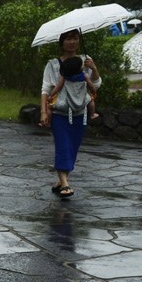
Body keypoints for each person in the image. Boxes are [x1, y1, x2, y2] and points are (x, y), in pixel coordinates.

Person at [40, 29, 102, 200]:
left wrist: (94, 68)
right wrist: (43, 111)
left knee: (73, 147)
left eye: (75, 38)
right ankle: (65, 184)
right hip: (60, 114)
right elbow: (46, 89)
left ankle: (61, 180)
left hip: (80, 113)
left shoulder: (85, 60)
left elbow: (95, 85)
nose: (72, 42)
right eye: (68, 39)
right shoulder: (53, 64)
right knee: (63, 146)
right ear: (61, 42)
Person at [47, 55, 99, 121]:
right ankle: (92, 114)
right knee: (91, 101)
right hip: (82, 102)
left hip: (65, 104)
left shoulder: (65, 76)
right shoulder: (84, 76)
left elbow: (58, 87)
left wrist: (51, 95)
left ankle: (48, 121)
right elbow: (91, 86)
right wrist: (94, 93)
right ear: (79, 68)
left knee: (49, 106)